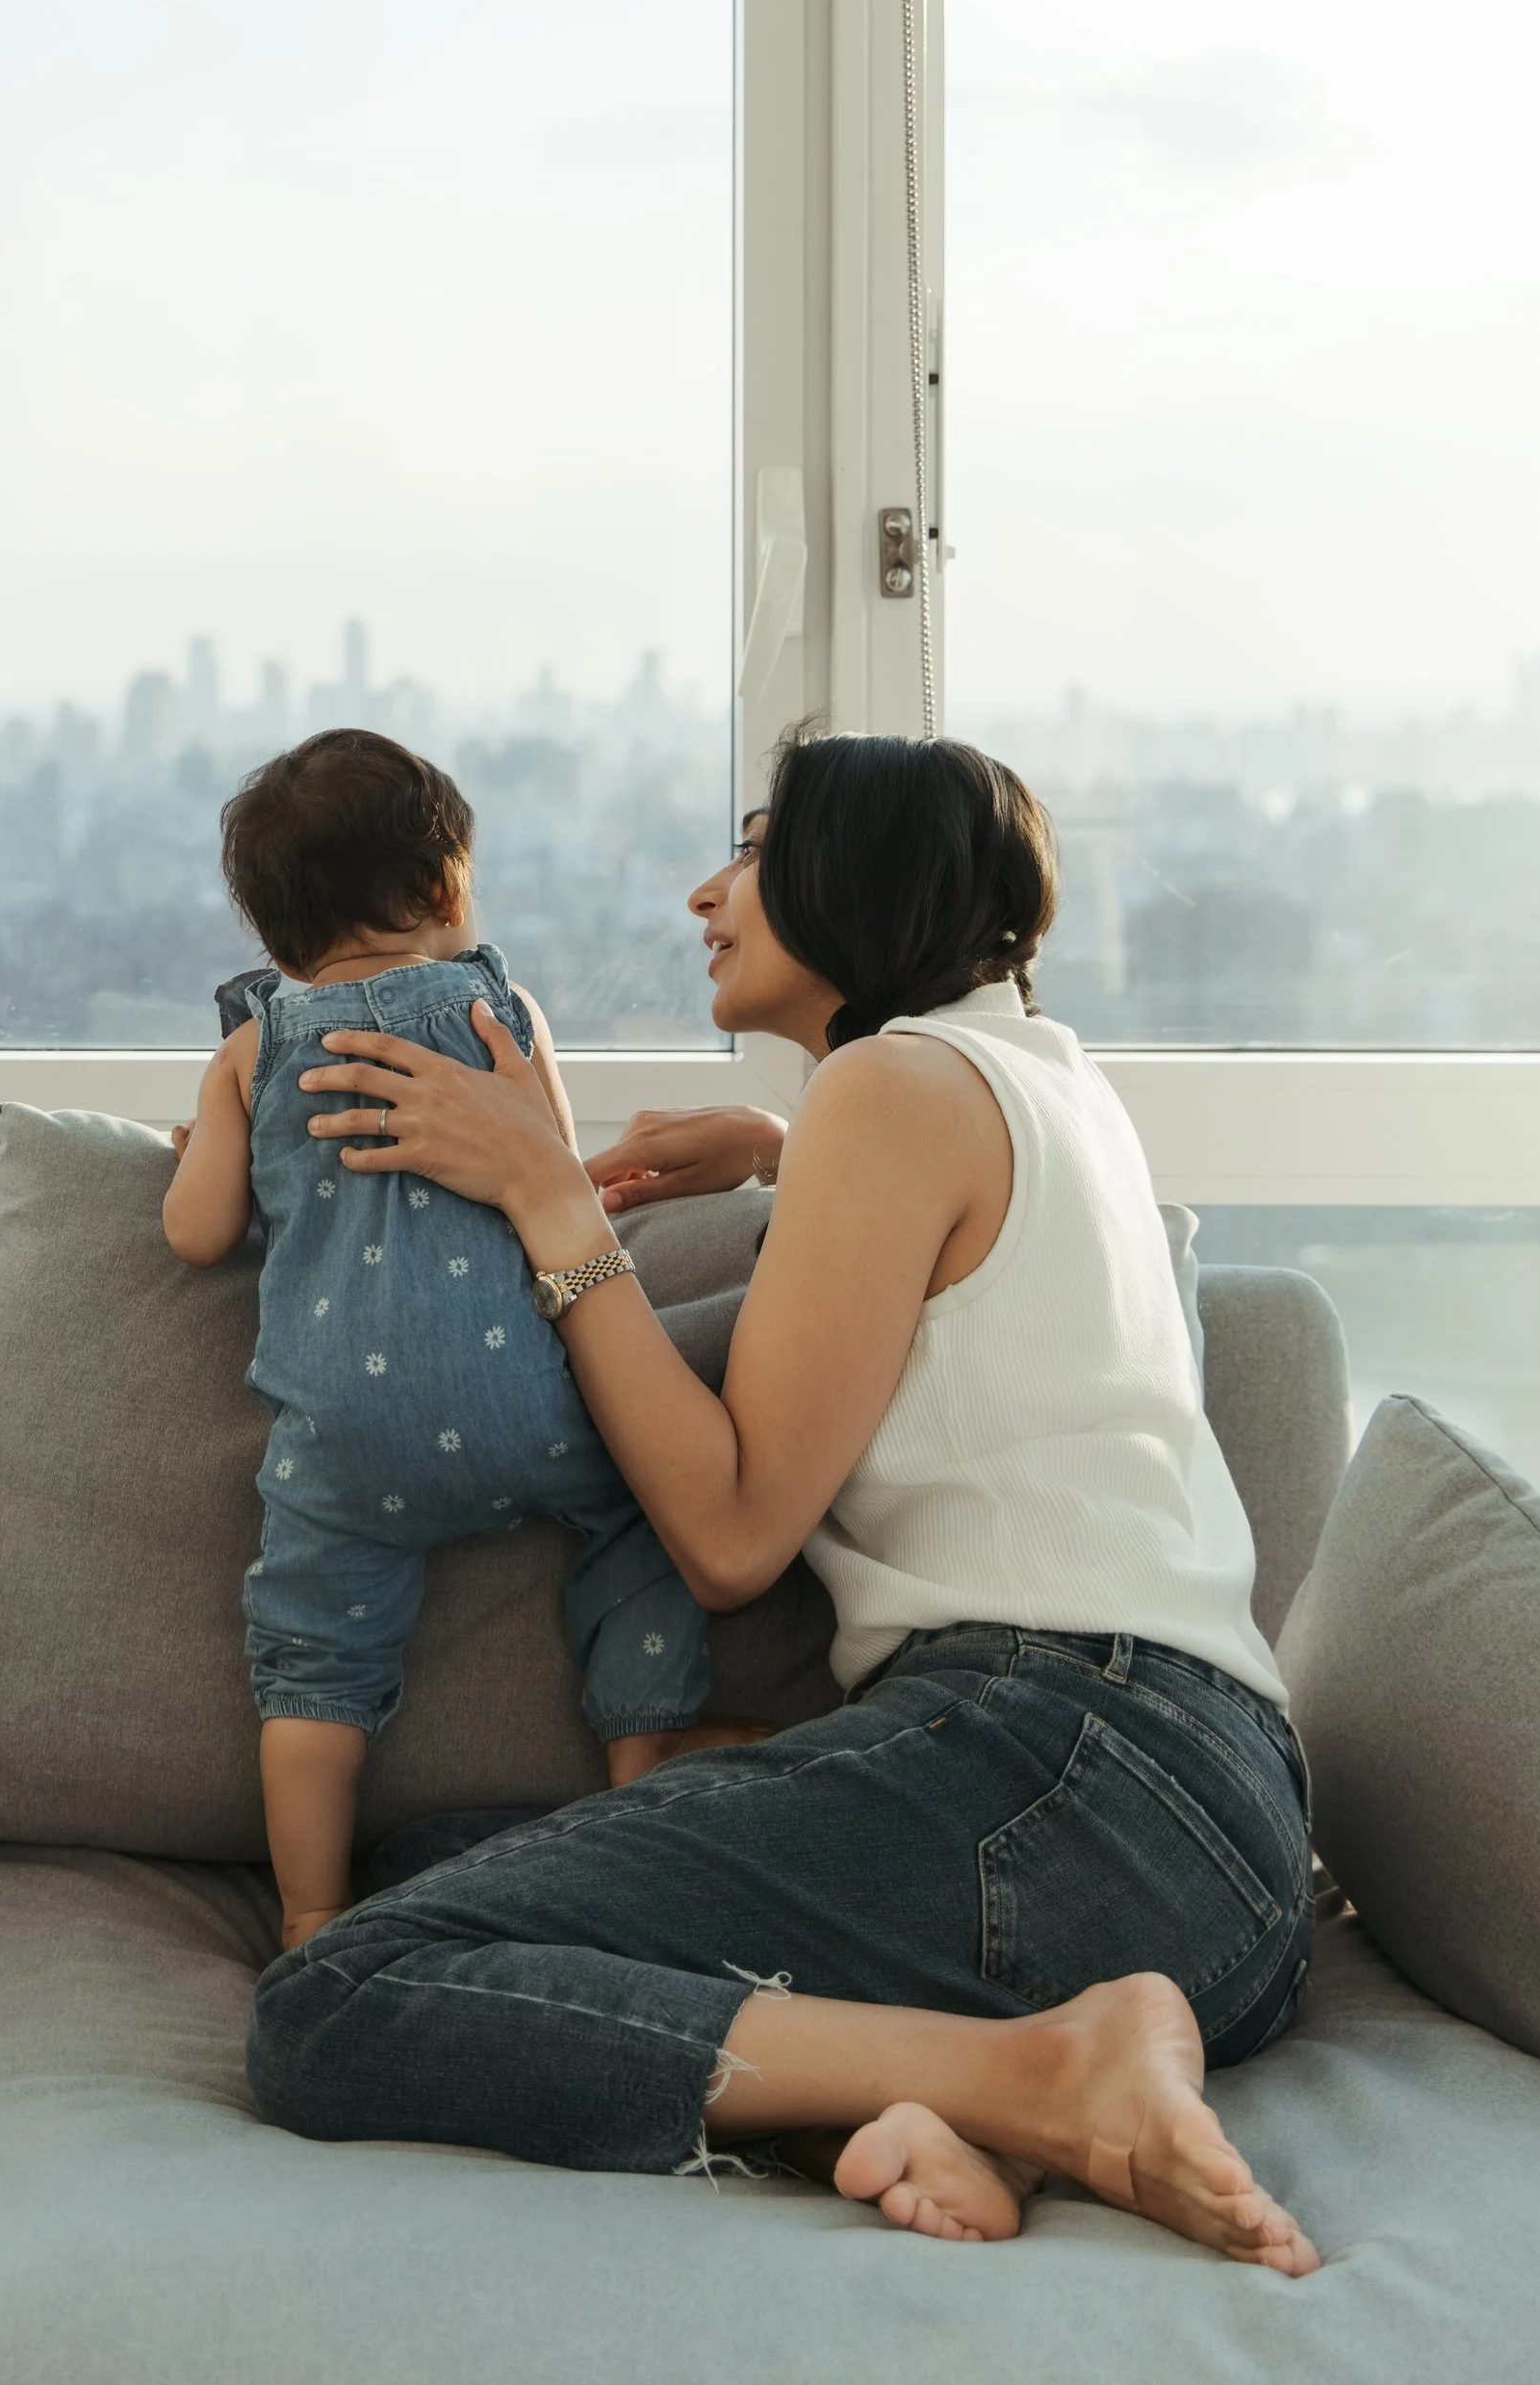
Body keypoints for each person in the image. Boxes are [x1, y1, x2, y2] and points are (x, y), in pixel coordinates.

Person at [244, 731, 1322, 2274]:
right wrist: (779, 1148)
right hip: (1218, 1868)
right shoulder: (1039, 1077)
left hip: (1074, 1772)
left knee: (335, 1997)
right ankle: (909, 2103)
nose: (707, 891)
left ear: (854, 874)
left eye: (751, 850)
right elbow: (960, 1262)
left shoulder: (893, 1091)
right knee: (431, 1870)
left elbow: (733, 1539)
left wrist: (548, 1196)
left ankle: (1047, 2075)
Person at [164, 728, 721, 1953]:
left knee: (312, 1660)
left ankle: (311, 1914)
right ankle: (643, 1772)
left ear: (271, 929)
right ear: (439, 887)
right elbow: (552, 1172)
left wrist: (203, 1142)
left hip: (346, 1444)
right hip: (533, 1400)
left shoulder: (252, 1052)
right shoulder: (497, 1007)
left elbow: (199, 1232)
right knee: (644, 1522)